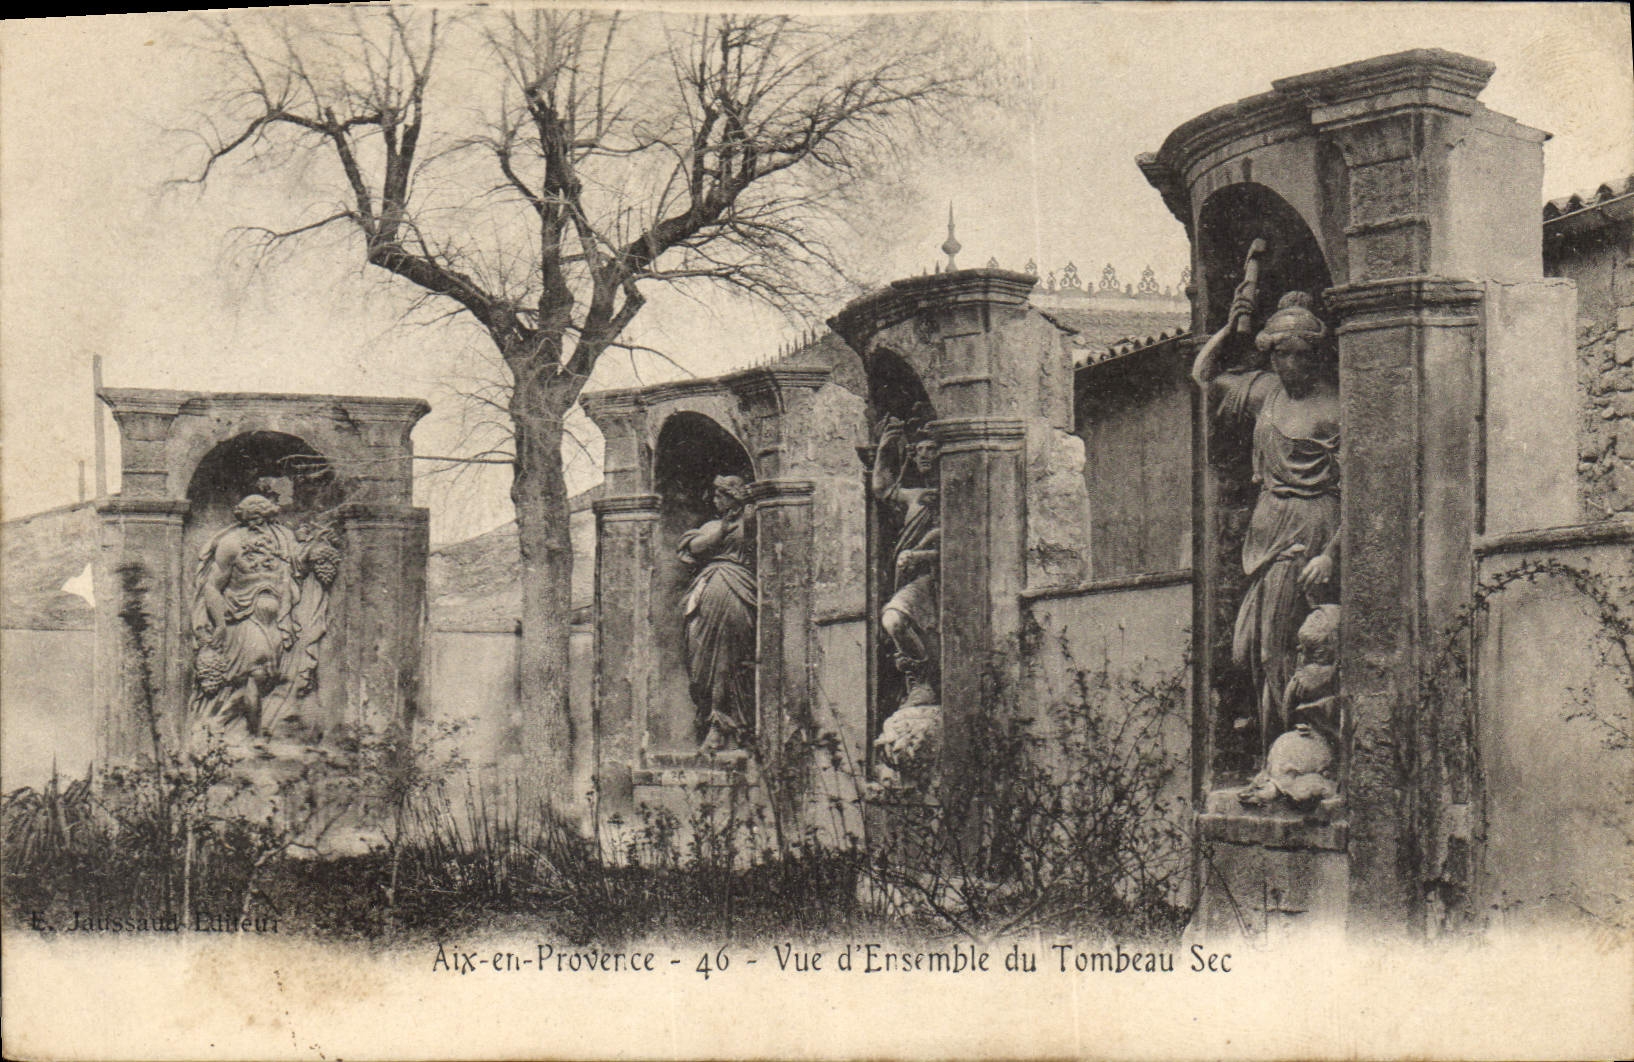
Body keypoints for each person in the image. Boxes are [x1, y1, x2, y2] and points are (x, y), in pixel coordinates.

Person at [1193, 283, 1341, 753]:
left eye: (1298, 354)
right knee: (1249, 650)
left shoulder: (1333, 408)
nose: (1289, 364)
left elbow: (1356, 489)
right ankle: (1272, 746)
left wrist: (1332, 555)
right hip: (1267, 528)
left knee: (1282, 647)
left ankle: (1287, 749)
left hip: (1311, 528)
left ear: (1314, 353)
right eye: (1279, 354)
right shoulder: (1265, 394)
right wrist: (1232, 320)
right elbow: (1204, 376)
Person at [190, 494, 303, 734]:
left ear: (269, 517)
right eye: (251, 518)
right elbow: (212, 587)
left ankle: (218, 724)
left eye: (261, 518)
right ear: (242, 518)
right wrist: (220, 625)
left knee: (264, 678)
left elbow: (299, 565)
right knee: (256, 676)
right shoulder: (231, 544)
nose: (257, 523)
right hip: (245, 620)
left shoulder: (282, 542)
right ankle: (254, 735)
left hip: (275, 622)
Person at [677, 474, 758, 752]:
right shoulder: (713, 525)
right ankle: (708, 717)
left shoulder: (752, 521)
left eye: (720, 495)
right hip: (707, 593)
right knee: (701, 665)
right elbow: (695, 547)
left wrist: (748, 516)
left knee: (731, 660)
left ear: (733, 497)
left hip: (739, 590)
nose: (715, 500)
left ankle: (723, 725)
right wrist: (722, 529)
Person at [871, 414, 941, 709]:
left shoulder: (956, 490)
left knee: (895, 619)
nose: (923, 454)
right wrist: (885, 449)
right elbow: (882, 489)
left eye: (931, 448)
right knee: (893, 620)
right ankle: (919, 679)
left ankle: (924, 681)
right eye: (918, 449)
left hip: (939, 578)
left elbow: (961, 543)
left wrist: (921, 555)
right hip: (913, 577)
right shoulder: (917, 495)